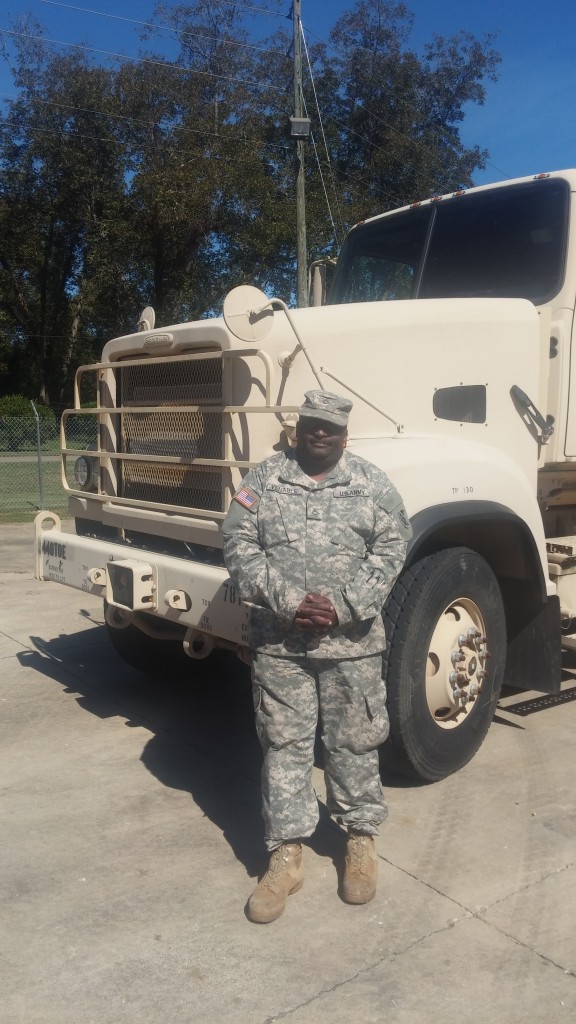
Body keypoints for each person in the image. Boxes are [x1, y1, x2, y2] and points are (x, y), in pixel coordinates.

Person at [222, 390, 411, 923]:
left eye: (329, 427)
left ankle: (360, 841)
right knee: (284, 744)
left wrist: (347, 607)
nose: (319, 434)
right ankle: (287, 854)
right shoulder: (264, 480)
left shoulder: (371, 483)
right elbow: (237, 543)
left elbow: (394, 545)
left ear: (344, 435)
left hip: (351, 645)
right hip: (281, 645)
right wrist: (286, 602)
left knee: (353, 743)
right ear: (298, 429)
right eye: (311, 425)